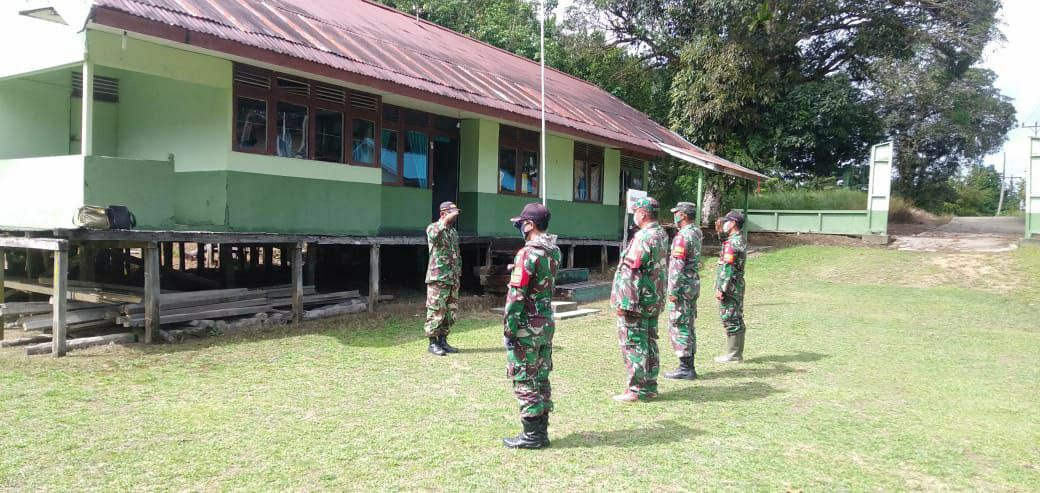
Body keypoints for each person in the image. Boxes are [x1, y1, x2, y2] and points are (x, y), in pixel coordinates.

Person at [501, 203, 561, 449]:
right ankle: (541, 431)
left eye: (521, 223)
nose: (519, 227)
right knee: (541, 376)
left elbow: (517, 295)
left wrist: (509, 327)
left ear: (530, 225)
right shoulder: (553, 251)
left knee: (524, 377)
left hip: (526, 325)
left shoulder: (527, 253)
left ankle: (533, 435)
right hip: (545, 323)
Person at [611, 197, 669, 402]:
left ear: (643, 213)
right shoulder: (661, 234)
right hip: (653, 298)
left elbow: (632, 271)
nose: (634, 215)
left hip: (637, 301)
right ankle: (650, 386)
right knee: (649, 342)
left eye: (635, 211)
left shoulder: (644, 236)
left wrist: (626, 303)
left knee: (634, 342)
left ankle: (636, 389)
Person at [664, 202, 704, 380]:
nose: (675, 216)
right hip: (692, 285)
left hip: (682, 287)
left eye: (677, 213)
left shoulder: (683, 236)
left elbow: (677, 267)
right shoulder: (696, 232)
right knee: (688, 324)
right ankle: (689, 365)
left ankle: (685, 367)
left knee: (680, 324)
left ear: (683, 215)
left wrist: (673, 290)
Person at [424, 201, 462, 356]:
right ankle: (432, 343)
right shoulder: (433, 227)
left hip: (453, 278)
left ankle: (443, 341)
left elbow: (456, 253)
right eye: (452, 213)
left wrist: (458, 273)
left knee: (450, 312)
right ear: (443, 213)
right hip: (438, 277)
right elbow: (434, 235)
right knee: (436, 310)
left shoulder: (453, 232)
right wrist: (444, 221)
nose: (455, 216)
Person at [714, 210, 748, 362]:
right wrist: (720, 234)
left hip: (730, 286)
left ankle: (733, 355)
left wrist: (721, 288)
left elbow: (727, 267)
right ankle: (736, 353)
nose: (723, 224)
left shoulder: (732, 243)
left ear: (733, 223)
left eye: (726, 221)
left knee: (730, 318)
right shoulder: (739, 239)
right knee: (736, 317)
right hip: (737, 284)